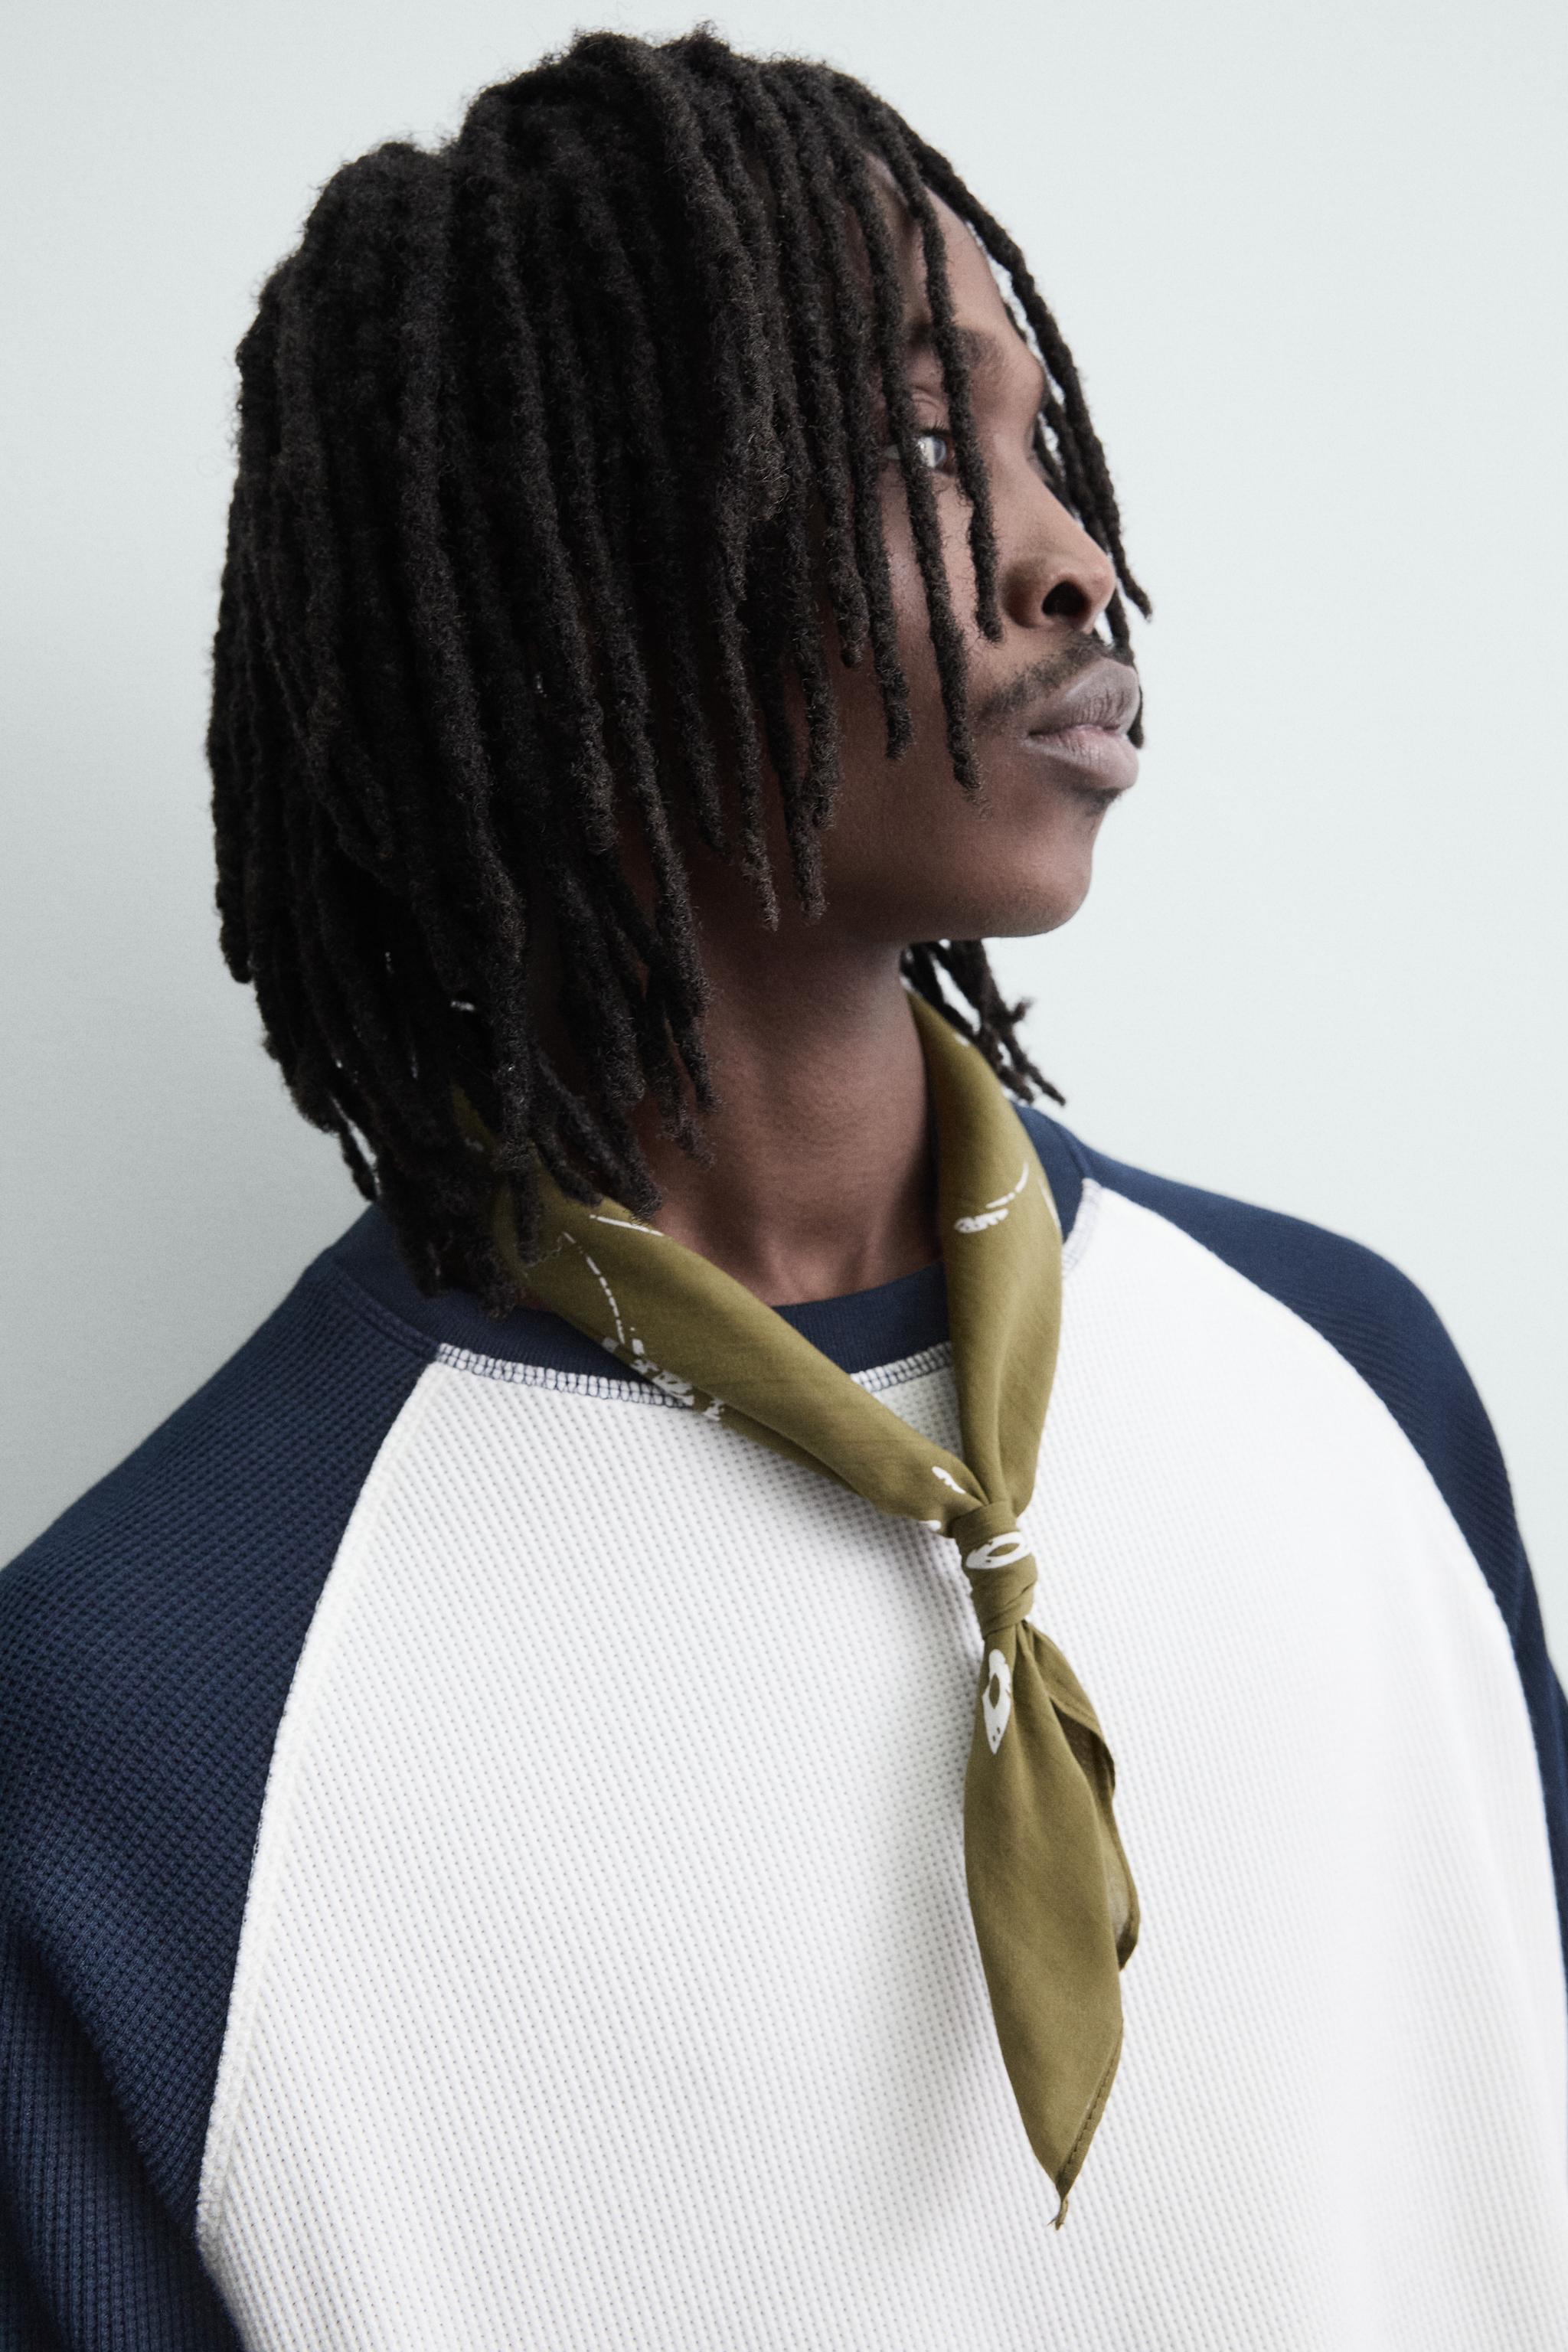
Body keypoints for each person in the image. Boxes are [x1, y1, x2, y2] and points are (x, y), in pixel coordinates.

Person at [2, 28, 1564, 2348]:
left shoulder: (1363, 1385)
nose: (1074, 561)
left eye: (1045, 446)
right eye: (926, 448)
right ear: (570, 571)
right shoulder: (143, 1714)